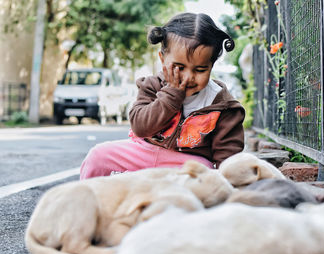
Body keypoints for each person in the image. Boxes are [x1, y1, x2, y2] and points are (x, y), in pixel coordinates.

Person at [80, 12, 245, 180]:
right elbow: (140, 127)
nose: (188, 77)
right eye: (179, 67)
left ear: (211, 66)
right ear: (162, 58)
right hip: (143, 153)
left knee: (207, 170)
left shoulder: (223, 105)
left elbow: (228, 161)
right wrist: (172, 95)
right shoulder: (152, 85)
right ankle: (89, 201)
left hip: (188, 165)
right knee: (98, 156)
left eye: (200, 70)